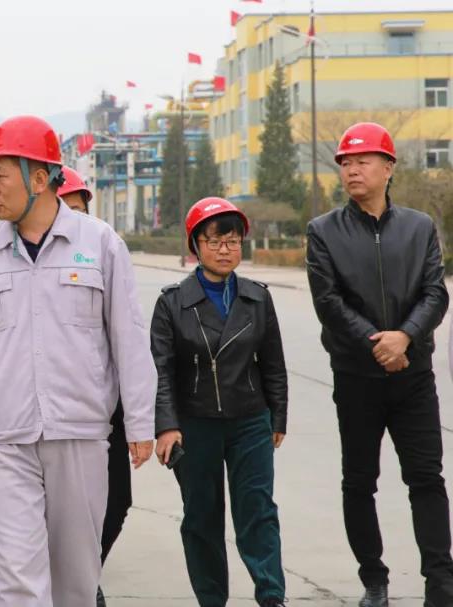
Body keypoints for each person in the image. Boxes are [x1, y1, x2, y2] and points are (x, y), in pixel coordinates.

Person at [0, 115, 155, 606]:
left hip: (78, 430)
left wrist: (140, 421)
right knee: (17, 578)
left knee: (75, 579)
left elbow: (129, 339)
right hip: (5, 435)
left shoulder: (100, 245)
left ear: (37, 179)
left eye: (0, 176)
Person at [306, 122, 453, 607]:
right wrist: (378, 344)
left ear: (388, 168)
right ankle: (375, 580)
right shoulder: (323, 231)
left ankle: (441, 584)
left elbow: (435, 293)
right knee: (359, 482)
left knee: (427, 479)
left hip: (414, 378)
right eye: (345, 163)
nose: (352, 170)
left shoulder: (419, 227)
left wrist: (405, 336)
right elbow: (328, 302)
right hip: (357, 379)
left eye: (363, 161)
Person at [151, 198, 288, 607]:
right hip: (195, 424)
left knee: (257, 510)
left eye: (232, 241)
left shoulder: (257, 298)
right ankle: (211, 598)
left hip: (250, 421)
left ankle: (272, 595)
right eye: (214, 241)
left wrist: (277, 417)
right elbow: (160, 371)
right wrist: (166, 426)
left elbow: (273, 364)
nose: (225, 249)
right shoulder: (173, 302)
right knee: (201, 516)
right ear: (195, 245)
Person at [58, 164, 129, 606]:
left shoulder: (105, 250)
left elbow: (129, 336)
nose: (70, 220)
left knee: (116, 500)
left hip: (105, 402)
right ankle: (75, 584)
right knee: (55, 507)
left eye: (78, 210)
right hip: (54, 407)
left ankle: (86, 572)